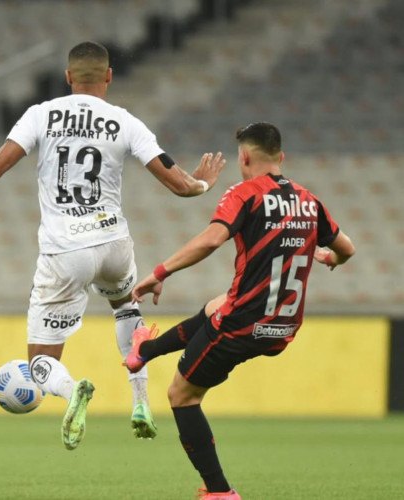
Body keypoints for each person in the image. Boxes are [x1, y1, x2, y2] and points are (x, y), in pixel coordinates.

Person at [0, 41, 225, 450]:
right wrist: (202, 184)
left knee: (40, 361)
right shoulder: (124, 121)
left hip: (65, 250)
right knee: (127, 308)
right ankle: (141, 400)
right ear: (109, 76)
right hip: (114, 242)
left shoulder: (41, 114)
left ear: (68, 77)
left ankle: (72, 388)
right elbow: (180, 184)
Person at [125, 121, 356, 499]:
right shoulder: (309, 201)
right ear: (281, 157)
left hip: (243, 326)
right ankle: (144, 352)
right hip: (283, 327)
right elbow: (347, 248)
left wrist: (160, 272)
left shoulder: (245, 194)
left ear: (244, 157)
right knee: (219, 304)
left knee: (182, 395)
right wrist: (331, 258)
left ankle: (220, 492)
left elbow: (212, 239)